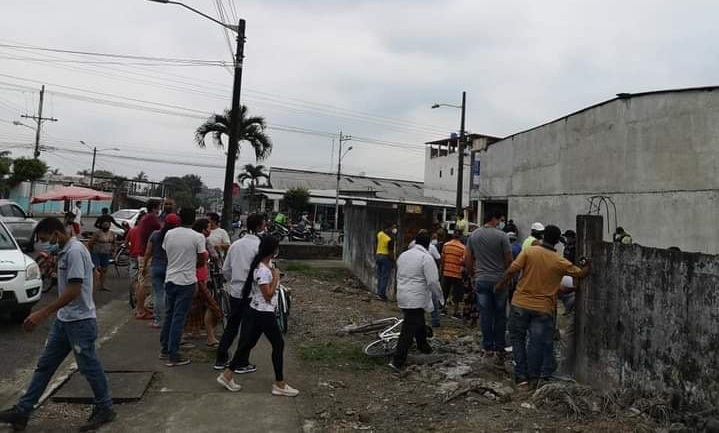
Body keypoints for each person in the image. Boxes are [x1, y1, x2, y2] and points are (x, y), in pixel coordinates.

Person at [0, 218, 115, 431]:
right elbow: (91, 275)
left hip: (80, 322)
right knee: (45, 365)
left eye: (46, 239)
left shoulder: (74, 251)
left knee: (89, 367)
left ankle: (105, 407)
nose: (45, 244)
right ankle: (22, 411)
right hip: (65, 321)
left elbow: (74, 290)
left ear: (56, 234)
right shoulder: (66, 251)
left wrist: (41, 313)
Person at [495, 225, 591, 387]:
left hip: (520, 304)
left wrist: (500, 285)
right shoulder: (559, 261)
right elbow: (580, 274)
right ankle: (534, 377)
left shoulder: (530, 252)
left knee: (517, 339)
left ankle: (520, 376)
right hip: (543, 308)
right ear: (557, 242)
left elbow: (512, 270)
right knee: (536, 343)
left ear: (543, 237)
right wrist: (587, 264)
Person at [217, 235, 300, 397]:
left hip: (257, 310)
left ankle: (227, 375)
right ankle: (279, 383)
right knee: (278, 345)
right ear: (273, 250)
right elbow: (268, 294)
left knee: (248, 344)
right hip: (264, 312)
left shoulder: (264, 264)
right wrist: (276, 277)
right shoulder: (262, 269)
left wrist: (274, 273)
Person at [214, 213, 266, 370]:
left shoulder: (236, 245)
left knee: (232, 325)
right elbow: (262, 270)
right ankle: (241, 362)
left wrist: (234, 279)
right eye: (263, 224)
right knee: (247, 328)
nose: (265, 226)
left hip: (235, 291)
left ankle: (221, 358)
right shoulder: (260, 246)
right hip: (252, 292)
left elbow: (226, 270)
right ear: (258, 226)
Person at [389, 231, 443, 371]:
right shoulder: (426, 257)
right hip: (416, 298)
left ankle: (423, 346)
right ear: (428, 244)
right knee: (408, 330)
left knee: (418, 322)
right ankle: (397, 361)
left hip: (402, 295)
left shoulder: (403, 255)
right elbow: (432, 281)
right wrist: (441, 298)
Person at [160, 208, 206, 367]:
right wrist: (192, 264)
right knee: (179, 318)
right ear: (194, 220)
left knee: (169, 315)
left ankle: (165, 349)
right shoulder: (197, 237)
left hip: (170, 278)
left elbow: (167, 254)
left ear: (179, 218)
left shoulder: (169, 234)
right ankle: (174, 355)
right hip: (186, 281)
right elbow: (202, 259)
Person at [465, 210, 513, 358]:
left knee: (486, 315)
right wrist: (507, 277)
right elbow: (509, 260)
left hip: (481, 279)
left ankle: (487, 347)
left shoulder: (473, 235)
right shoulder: (502, 236)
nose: (500, 223)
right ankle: (499, 347)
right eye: (499, 220)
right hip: (499, 279)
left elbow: (468, 258)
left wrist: (473, 275)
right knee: (500, 315)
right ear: (494, 218)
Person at [184, 218, 223, 347]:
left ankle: (193, 331)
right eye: (208, 228)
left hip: (195, 277)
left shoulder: (190, 239)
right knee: (212, 306)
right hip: (199, 278)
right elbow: (214, 256)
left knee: (197, 306)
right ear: (203, 229)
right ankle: (210, 337)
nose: (210, 230)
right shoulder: (202, 240)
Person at [142, 214, 181, 329]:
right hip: (171, 268)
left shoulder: (155, 234)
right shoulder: (176, 237)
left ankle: (158, 320)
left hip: (156, 266)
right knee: (169, 294)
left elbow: (148, 252)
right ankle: (169, 320)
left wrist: (144, 266)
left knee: (158, 294)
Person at [128, 212, 152, 319]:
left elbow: (126, 242)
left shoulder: (133, 230)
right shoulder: (149, 232)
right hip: (143, 256)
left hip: (134, 256)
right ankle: (141, 306)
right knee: (143, 282)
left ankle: (136, 302)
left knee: (137, 279)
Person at [440, 231, 466, 319]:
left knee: (444, 292)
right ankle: (455, 311)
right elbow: (463, 261)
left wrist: (442, 269)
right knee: (457, 294)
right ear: (460, 237)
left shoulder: (446, 245)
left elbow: (442, 259)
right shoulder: (463, 248)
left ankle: (443, 309)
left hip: (446, 271)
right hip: (457, 273)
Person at [88, 221, 115, 292]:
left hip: (106, 253)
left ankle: (102, 285)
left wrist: (113, 251)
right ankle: (93, 285)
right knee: (96, 269)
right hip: (97, 253)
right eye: (104, 225)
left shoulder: (112, 233)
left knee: (104, 269)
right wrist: (91, 251)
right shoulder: (97, 233)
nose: (106, 227)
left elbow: (113, 243)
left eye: (107, 225)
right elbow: (90, 243)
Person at [375, 222, 396, 301]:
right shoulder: (390, 238)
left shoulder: (379, 234)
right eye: (393, 227)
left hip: (378, 255)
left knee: (380, 276)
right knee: (384, 277)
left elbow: (376, 244)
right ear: (389, 228)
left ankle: (379, 293)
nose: (394, 229)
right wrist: (393, 261)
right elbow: (390, 252)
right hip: (386, 257)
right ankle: (382, 294)